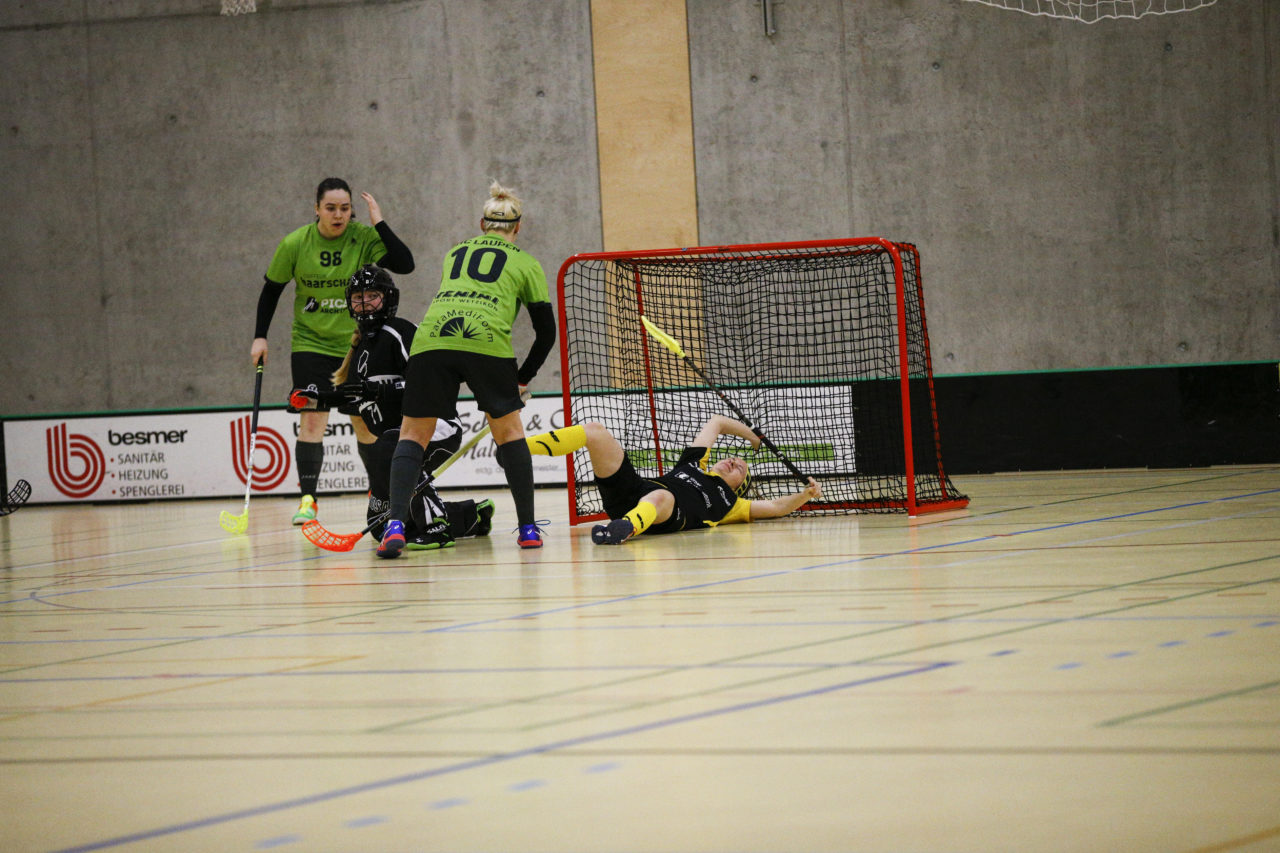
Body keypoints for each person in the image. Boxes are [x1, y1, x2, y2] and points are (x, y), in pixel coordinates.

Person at [376, 181, 556, 558]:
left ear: (481, 224)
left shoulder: (455, 252)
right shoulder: (526, 263)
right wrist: (524, 375)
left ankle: (394, 526)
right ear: (517, 227)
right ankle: (527, 529)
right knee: (509, 434)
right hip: (486, 342)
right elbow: (546, 332)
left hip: (432, 341)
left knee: (413, 435)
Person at [290, 265, 495, 549]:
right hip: (393, 441)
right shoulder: (361, 347)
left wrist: (382, 390)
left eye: (372, 296)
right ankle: (472, 515)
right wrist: (316, 399)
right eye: (358, 297)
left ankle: (438, 528)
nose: (364, 304)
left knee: (391, 446)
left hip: (435, 427)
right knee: (378, 526)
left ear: (388, 298)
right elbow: (354, 396)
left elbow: (427, 381)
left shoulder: (400, 332)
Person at [250, 177, 416, 526]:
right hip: (311, 342)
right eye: (330, 208)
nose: (338, 215)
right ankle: (308, 500)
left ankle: (378, 495)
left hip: (356, 343)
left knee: (364, 420)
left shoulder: (363, 237)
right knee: (312, 418)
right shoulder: (295, 244)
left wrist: (379, 222)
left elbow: (405, 264)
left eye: (344, 208)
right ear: (317, 209)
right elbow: (272, 290)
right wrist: (260, 337)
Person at [524, 414, 822, 544]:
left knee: (662, 497)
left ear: (738, 487)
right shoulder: (694, 463)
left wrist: (805, 495)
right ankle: (521, 449)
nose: (733, 461)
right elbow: (717, 423)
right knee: (595, 431)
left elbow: (776, 507)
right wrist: (751, 437)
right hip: (634, 491)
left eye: (740, 469)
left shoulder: (732, 504)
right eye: (732, 458)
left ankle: (622, 529)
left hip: (661, 514)